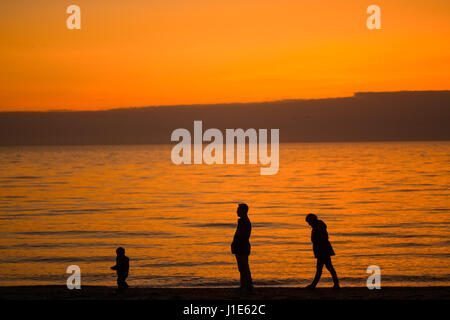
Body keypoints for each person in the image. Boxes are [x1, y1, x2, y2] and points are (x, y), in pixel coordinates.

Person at [305, 213, 340, 289]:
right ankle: (336, 284)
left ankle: (313, 285)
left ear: (312, 221)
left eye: (309, 222)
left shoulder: (319, 227)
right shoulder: (319, 226)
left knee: (321, 268)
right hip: (323, 250)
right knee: (328, 267)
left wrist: (318, 246)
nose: (309, 224)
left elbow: (322, 239)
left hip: (322, 250)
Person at [231, 203, 253, 292]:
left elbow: (241, 236)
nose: (237, 211)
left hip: (242, 247)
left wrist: (236, 244)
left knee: (243, 267)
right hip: (241, 247)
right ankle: (245, 285)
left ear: (243, 211)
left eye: (238, 210)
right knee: (242, 267)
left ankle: (247, 286)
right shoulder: (243, 221)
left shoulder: (244, 222)